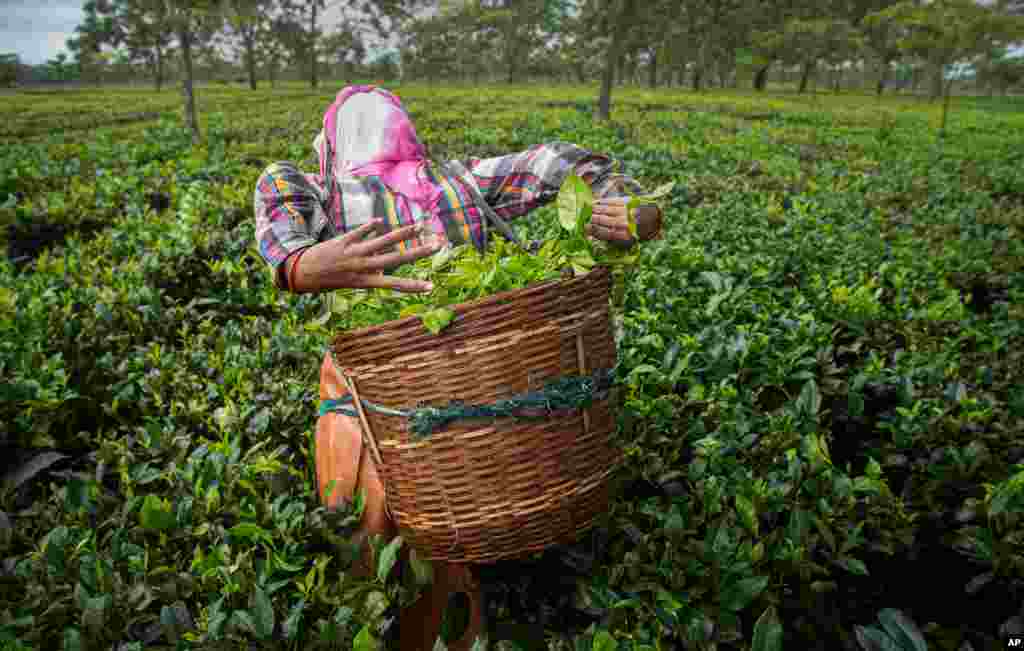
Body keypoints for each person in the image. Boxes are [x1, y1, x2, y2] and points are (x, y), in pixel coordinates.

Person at [253, 85, 664, 651]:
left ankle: (448, 629)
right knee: (365, 523)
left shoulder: (458, 183)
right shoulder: (321, 190)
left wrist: (629, 210)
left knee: (448, 522)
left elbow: (561, 165)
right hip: (367, 389)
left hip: (465, 382)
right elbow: (280, 217)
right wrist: (301, 263)